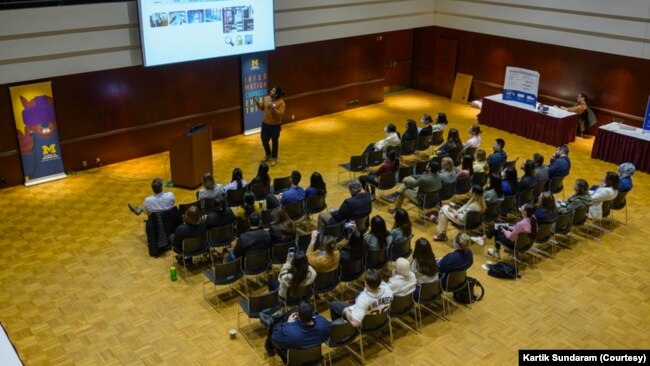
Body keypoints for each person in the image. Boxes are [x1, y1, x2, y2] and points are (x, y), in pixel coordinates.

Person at [265, 301, 331, 359]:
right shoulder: (323, 323)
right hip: (315, 357)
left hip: (294, 361)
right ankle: (273, 319)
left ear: (298, 316)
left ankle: (272, 319)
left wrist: (288, 323)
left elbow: (274, 339)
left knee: (274, 326)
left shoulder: (288, 332)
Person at [329, 269, 393, 327]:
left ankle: (340, 329)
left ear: (366, 284)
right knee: (358, 294)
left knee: (334, 304)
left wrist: (346, 312)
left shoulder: (363, 299)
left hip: (364, 324)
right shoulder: (388, 289)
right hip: (380, 319)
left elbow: (355, 323)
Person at [256, 86, 286, 166]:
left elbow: (280, 115)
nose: (271, 91)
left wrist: (274, 109)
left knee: (274, 142)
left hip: (275, 126)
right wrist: (258, 104)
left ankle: (274, 158)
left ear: (276, 95)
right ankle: (268, 154)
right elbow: (262, 108)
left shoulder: (281, 102)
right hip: (265, 124)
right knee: (264, 139)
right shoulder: (266, 98)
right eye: (271, 90)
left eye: (273, 91)